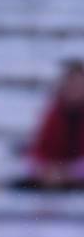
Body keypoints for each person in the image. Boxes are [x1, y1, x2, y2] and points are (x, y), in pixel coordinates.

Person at [26, 60, 84, 188]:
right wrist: (47, 170)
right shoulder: (54, 114)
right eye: (71, 84)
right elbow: (40, 151)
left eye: (79, 85)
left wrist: (68, 173)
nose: (75, 90)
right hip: (56, 178)